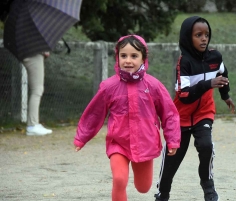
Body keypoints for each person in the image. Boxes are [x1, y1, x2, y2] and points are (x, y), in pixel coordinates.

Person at [73, 35, 181, 201]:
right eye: (123, 56)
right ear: (117, 57)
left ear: (143, 59)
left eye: (134, 56)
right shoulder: (108, 87)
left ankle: (141, 182)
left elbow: (169, 114)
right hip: (118, 143)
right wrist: (82, 137)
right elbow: (94, 113)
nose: (128, 60)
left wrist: (172, 140)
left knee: (143, 187)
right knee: (119, 179)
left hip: (145, 143)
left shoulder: (153, 85)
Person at [154, 16, 235, 201]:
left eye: (206, 34)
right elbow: (185, 95)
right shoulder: (184, 62)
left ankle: (209, 188)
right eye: (198, 35)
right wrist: (208, 84)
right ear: (187, 37)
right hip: (180, 117)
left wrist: (225, 96)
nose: (204, 39)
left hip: (203, 113)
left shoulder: (215, 57)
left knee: (206, 146)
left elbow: (223, 73)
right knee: (173, 158)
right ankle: (162, 193)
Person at [23, 52, 53, 136]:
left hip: (30, 54)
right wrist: (44, 51)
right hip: (34, 55)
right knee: (37, 89)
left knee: (36, 89)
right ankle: (32, 125)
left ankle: (33, 124)